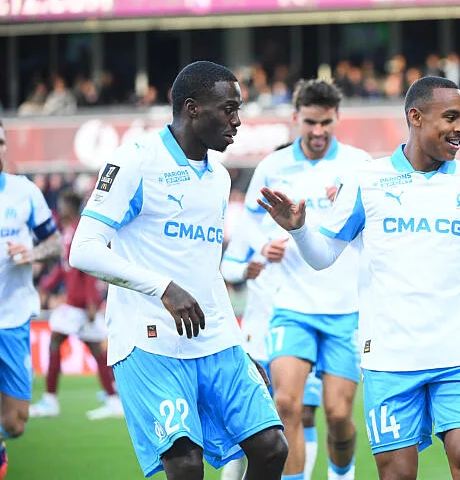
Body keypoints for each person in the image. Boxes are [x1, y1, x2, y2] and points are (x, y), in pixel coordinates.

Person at [258, 75, 460, 480]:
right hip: (390, 358)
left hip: (459, 353)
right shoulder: (366, 180)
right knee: (397, 474)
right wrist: (298, 229)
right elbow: (323, 257)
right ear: (416, 117)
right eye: (450, 117)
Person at [68, 61, 288, 480]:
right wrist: (163, 288)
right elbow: (83, 250)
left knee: (271, 447)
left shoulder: (219, 179)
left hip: (215, 340)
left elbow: (207, 273)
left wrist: (237, 343)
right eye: (228, 109)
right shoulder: (135, 161)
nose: (237, 121)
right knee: (185, 465)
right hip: (148, 342)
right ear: (192, 108)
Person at [243, 79, 370, 480]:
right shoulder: (273, 166)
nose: (318, 131)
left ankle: (341, 473)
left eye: (326, 123)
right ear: (297, 118)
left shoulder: (360, 166)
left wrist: (348, 210)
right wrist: (265, 244)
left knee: (337, 414)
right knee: (286, 406)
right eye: (311, 122)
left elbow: (379, 229)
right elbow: (249, 218)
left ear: (337, 119)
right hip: (292, 305)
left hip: (345, 309)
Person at [219, 160, 324, 480]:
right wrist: (251, 265)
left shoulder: (307, 224)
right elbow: (227, 267)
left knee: (303, 413)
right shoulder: (252, 230)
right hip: (258, 331)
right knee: (248, 419)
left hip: (301, 328)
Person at [0, 118, 63, 477]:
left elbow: (55, 244)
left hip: (12, 319)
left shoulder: (23, 193)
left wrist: (32, 252)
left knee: (17, 422)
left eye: (1, 141)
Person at [29, 189, 123, 421]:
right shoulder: (67, 231)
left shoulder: (80, 230)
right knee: (95, 350)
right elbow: (64, 267)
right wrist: (46, 287)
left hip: (80, 304)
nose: (60, 209)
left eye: (63, 205)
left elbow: (88, 266)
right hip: (75, 303)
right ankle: (112, 399)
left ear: (71, 207)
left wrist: (92, 301)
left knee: (58, 341)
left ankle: (51, 400)